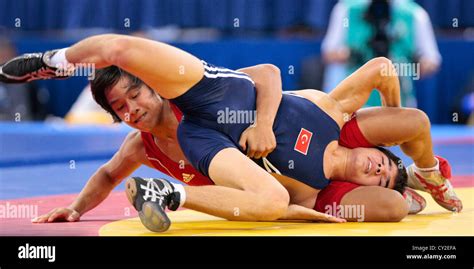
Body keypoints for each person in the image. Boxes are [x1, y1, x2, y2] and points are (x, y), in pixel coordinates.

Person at [0, 34, 461, 232]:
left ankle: (167, 193)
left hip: (258, 127)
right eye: (121, 109)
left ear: (152, 88)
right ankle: (55, 63)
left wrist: (262, 124)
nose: (133, 110)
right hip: (252, 148)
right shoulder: (167, 140)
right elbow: (107, 173)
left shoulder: (205, 92)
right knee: (116, 48)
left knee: (405, 119)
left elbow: (265, 73)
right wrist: (77, 208)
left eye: (133, 96)